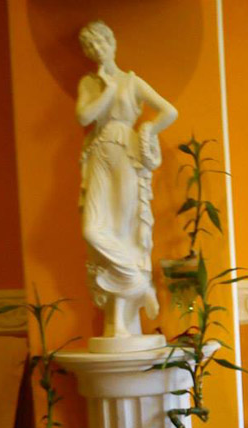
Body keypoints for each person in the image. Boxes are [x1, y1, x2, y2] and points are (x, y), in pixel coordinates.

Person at [76, 20, 177, 340]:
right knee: (93, 231)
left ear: (112, 43)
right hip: (98, 154)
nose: (97, 50)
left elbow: (169, 111)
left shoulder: (132, 82)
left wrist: (148, 128)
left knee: (124, 233)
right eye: (90, 47)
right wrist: (106, 90)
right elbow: (83, 116)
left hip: (127, 154)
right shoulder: (89, 83)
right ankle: (139, 285)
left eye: (101, 43)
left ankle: (121, 317)